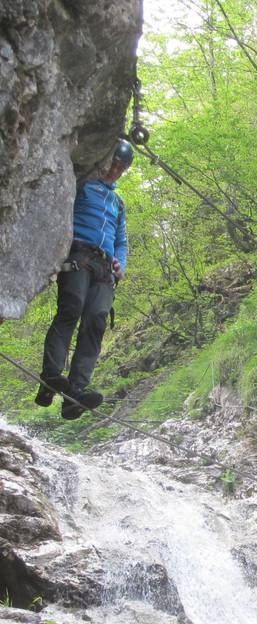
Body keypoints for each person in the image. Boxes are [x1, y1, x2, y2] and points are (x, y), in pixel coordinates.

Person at [35, 139, 133, 419]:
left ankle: (75, 392)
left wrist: (120, 264)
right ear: (104, 160)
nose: (115, 170)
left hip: (104, 268)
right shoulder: (83, 183)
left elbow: (122, 242)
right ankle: (51, 376)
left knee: (97, 320)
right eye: (113, 163)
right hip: (78, 253)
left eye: (121, 167)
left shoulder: (119, 203)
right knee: (71, 308)